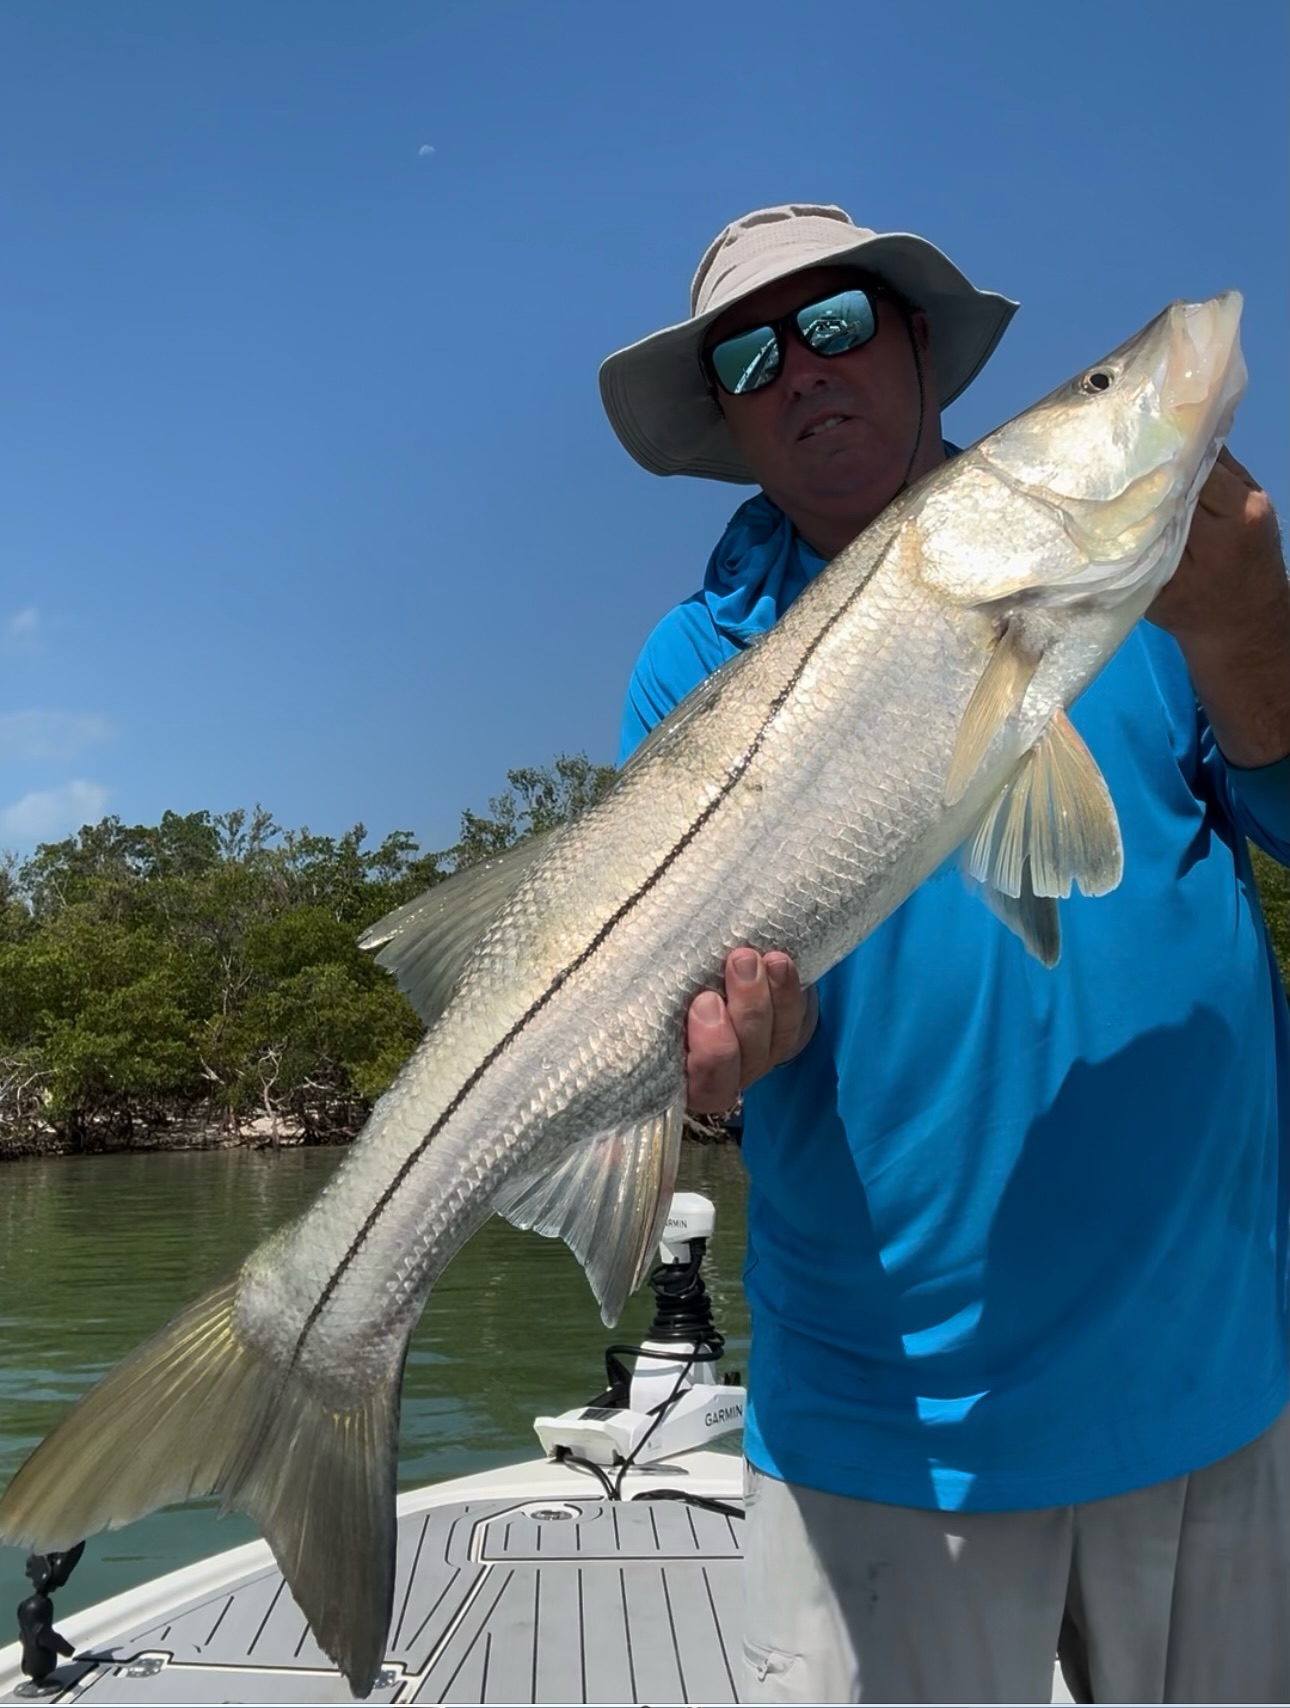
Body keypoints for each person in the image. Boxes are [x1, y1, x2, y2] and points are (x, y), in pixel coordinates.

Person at [599, 204, 1290, 1704]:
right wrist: (711, 1087)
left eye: (837, 324)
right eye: (748, 354)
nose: (800, 369)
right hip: (885, 1420)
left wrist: (1244, 638)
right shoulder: (688, 664)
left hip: (1215, 1373)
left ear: (920, 344)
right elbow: (669, 1048)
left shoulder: (1164, 583)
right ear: (724, 411)